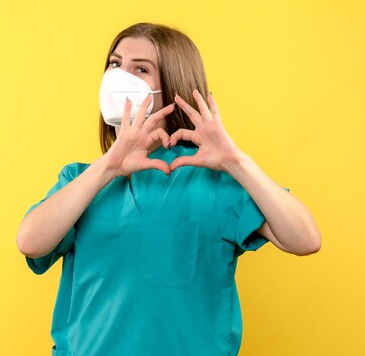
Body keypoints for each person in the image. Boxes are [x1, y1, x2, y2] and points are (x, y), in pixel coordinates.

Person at [16, 22, 321, 356]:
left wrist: (236, 161)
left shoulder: (212, 181)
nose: (120, 75)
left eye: (140, 68)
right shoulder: (81, 181)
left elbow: (305, 239)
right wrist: (109, 167)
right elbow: (30, 242)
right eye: (114, 64)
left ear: (172, 86)